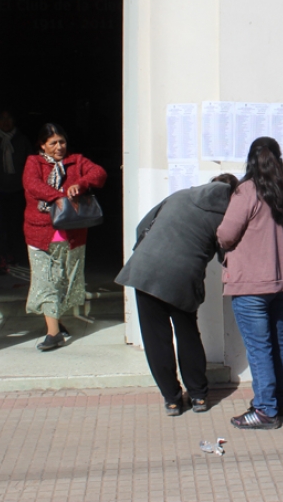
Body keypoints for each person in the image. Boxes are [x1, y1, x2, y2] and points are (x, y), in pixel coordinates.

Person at [115, 174, 239, 417]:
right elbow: (227, 252)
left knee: (156, 338)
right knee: (188, 334)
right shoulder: (228, 213)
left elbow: (142, 227)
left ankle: (172, 399)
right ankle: (199, 396)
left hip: (145, 269)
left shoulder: (178, 196)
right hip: (183, 276)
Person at [217, 137, 283, 430]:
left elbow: (226, 235)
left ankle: (265, 410)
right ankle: (278, 403)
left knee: (259, 347)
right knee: (278, 342)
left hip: (251, 283)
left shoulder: (246, 190)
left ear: (250, 160)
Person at [22, 123, 107, 352]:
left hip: (72, 234)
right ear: (42, 145)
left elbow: (99, 173)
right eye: (53, 143)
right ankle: (54, 333)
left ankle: (55, 320)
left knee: (65, 280)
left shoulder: (77, 161)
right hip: (40, 232)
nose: (59, 147)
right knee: (46, 280)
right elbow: (32, 185)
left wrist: (81, 184)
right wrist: (60, 198)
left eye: (62, 142)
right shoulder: (33, 162)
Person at [0, 109, 32, 273]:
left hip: (17, 189)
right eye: (2, 118)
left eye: (9, 118)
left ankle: (14, 256)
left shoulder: (21, 140)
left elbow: (29, 163)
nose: (6, 122)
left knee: (15, 224)